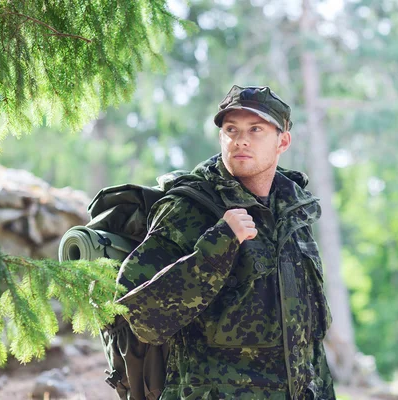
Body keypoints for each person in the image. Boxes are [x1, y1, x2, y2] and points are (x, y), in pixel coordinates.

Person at [116, 85, 336, 399]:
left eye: (256, 129)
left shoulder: (293, 213)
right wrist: (218, 246)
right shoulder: (189, 208)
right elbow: (140, 317)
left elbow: (310, 345)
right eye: (231, 130)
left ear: (282, 141)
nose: (240, 140)